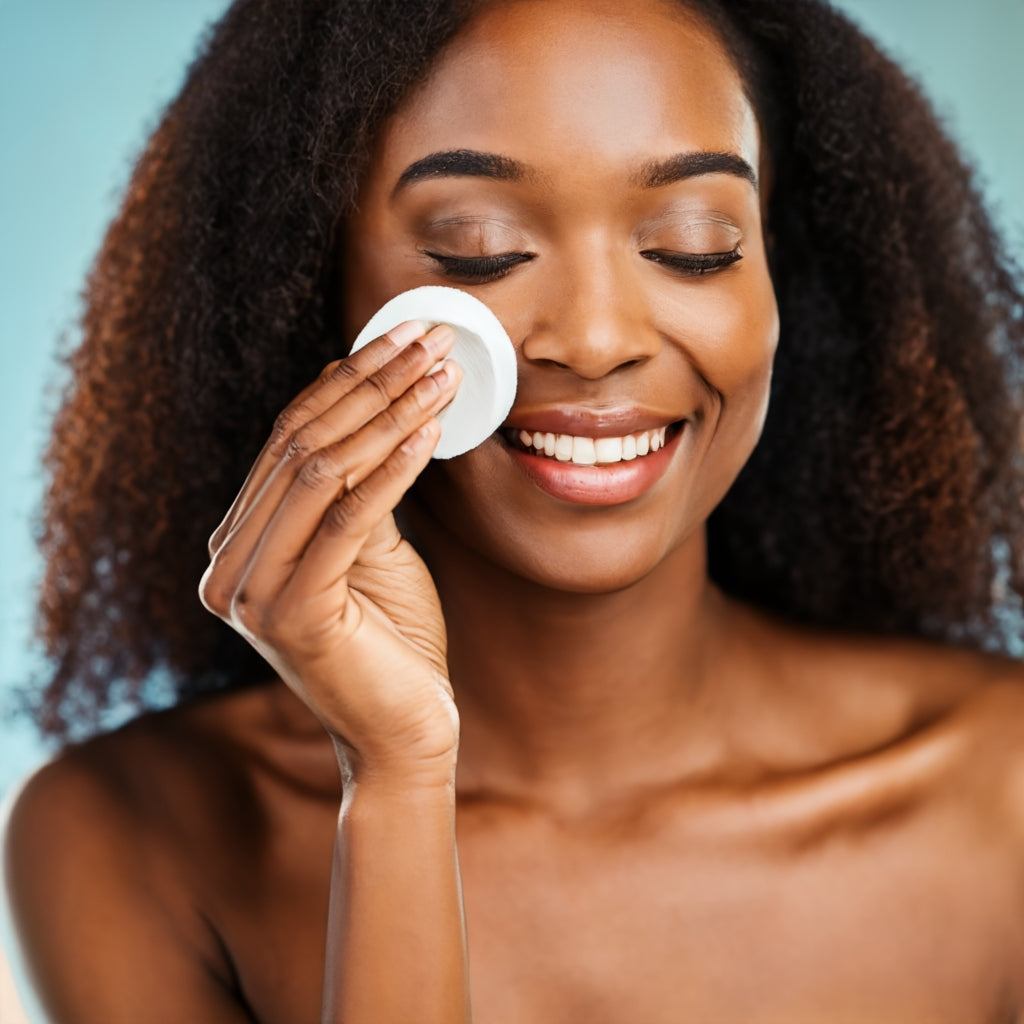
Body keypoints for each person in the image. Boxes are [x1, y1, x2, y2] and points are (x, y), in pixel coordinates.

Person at [5, 0, 1024, 1020]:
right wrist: (397, 781)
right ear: (307, 289)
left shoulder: (1000, 788)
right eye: (477, 250)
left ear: (781, 282)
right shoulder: (125, 835)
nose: (593, 338)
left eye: (693, 245)